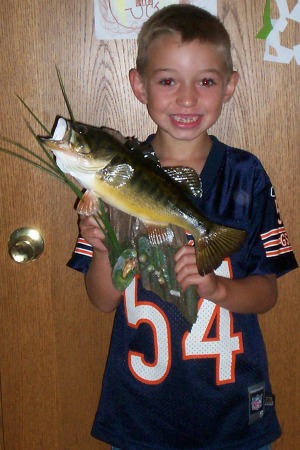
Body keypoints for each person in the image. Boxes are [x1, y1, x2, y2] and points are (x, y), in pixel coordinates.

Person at [68, 4, 298, 450]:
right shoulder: (114, 176)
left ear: (230, 86)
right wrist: (100, 249)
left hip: (235, 415)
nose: (187, 99)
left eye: (206, 81)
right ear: (139, 85)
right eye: (168, 80)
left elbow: (268, 293)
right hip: (139, 414)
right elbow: (101, 300)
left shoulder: (245, 174)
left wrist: (218, 290)